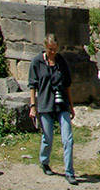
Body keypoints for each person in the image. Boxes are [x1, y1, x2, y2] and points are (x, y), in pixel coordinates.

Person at [28, 34, 77, 185]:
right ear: (45, 47)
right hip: (45, 104)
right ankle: (44, 161)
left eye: (55, 49)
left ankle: (69, 172)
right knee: (48, 138)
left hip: (62, 104)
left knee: (68, 139)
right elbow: (32, 86)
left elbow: (67, 85)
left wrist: (71, 106)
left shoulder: (61, 62)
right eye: (50, 50)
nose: (53, 53)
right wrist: (33, 106)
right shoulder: (37, 62)